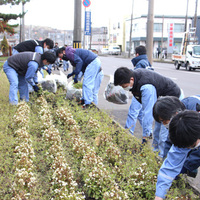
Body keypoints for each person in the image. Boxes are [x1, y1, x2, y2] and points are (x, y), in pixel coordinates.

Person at [114, 67, 183, 145]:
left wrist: (145, 136)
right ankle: (155, 152)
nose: (124, 88)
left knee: (164, 136)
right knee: (157, 130)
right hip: (162, 102)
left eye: (124, 86)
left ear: (131, 80)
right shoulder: (134, 78)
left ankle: (162, 155)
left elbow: (149, 112)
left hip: (173, 101)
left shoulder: (146, 87)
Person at [155, 110, 200, 200]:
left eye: (191, 146)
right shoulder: (183, 134)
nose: (188, 148)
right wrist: (159, 196)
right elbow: (170, 168)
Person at [126, 45, 154, 136]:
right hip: (147, 91)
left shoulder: (140, 63)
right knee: (141, 114)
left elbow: (135, 77)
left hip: (140, 89)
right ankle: (148, 132)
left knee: (133, 112)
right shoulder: (147, 62)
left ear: (137, 54)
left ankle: (128, 133)